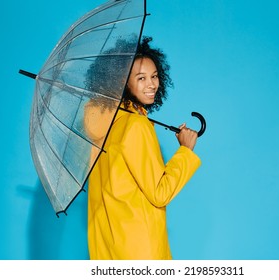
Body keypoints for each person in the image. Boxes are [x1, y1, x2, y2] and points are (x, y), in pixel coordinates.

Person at [86, 37, 201, 260]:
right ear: (121, 82)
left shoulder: (104, 122)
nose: (152, 85)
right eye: (141, 78)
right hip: (141, 252)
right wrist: (186, 151)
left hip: (108, 250)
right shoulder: (135, 126)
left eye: (155, 76)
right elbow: (160, 193)